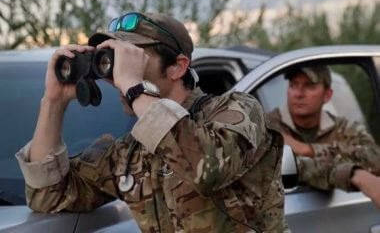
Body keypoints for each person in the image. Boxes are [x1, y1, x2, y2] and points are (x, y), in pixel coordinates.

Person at [16, 12, 288, 232]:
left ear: (177, 67)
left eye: (132, 56)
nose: (119, 72)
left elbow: (206, 168)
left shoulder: (237, 110)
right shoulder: (130, 153)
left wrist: (134, 87)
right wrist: (53, 102)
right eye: (116, 58)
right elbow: (48, 196)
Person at [267, 65, 380, 209]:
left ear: (327, 95)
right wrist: (353, 174)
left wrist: (308, 149)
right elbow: (290, 168)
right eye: (293, 85)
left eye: (309, 86)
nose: (298, 94)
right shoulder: (268, 127)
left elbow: (374, 158)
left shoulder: (344, 127)